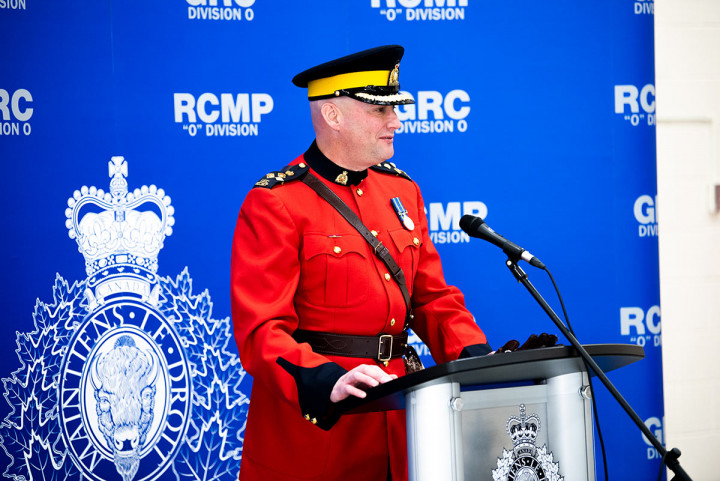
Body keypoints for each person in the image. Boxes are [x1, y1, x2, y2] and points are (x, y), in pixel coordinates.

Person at [231, 45, 491, 481]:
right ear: (333, 115)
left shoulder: (402, 191)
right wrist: (323, 379)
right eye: (380, 110)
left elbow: (431, 298)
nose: (397, 121)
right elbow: (261, 332)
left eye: (396, 109)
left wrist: (475, 356)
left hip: (403, 420)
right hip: (323, 431)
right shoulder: (277, 202)